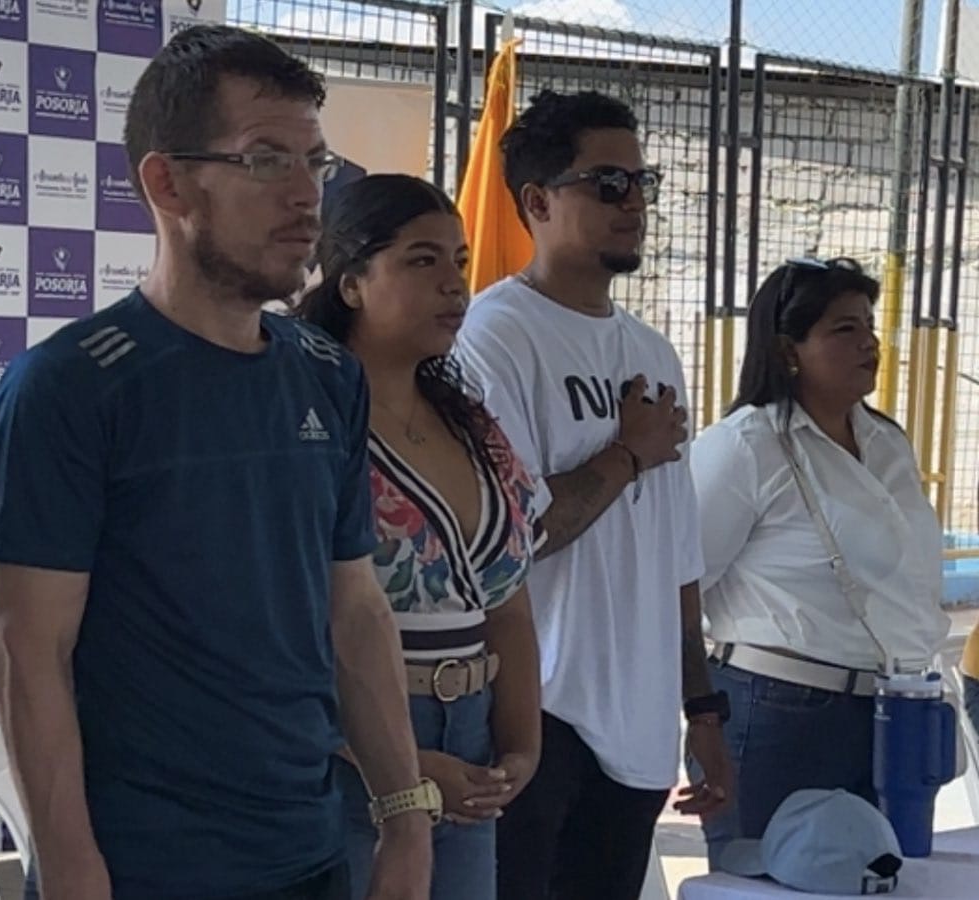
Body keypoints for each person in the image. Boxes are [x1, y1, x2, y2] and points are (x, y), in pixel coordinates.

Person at [0, 24, 433, 900]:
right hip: (143, 869)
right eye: (266, 160)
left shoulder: (328, 374)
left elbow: (355, 612)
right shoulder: (69, 387)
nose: (306, 194)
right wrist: (71, 870)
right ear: (168, 183)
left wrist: (406, 822)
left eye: (315, 162)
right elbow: (28, 650)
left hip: (310, 856)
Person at [451, 89, 735, 900]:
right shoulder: (494, 337)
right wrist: (628, 453)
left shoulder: (653, 352)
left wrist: (702, 710)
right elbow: (517, 534)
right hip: (536, 718)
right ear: (537, 202)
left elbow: (678, 555)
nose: (634, 202)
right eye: (609, 183)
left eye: (644, 183)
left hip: (639, 728)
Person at [296, 174, 543, 900]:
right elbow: (287, 624)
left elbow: (510, 606)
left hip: (472, 744)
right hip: (346, 748)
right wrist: (399, 761)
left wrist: (521, 748)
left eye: (459, 262)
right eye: (421, 260)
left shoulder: (472, 423)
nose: (453, 284)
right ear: (351, 282)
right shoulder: (309, 419)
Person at [690, 257, 950, 868]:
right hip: (778, 715)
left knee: (883, 877)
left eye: (870, 326)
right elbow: (679, 585)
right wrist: (698, 714)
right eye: (844, 329)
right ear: (788, 350)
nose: (870, 344)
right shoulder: (745, 446)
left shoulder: (886, 441)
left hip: (890, 713)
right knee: (766, 880)